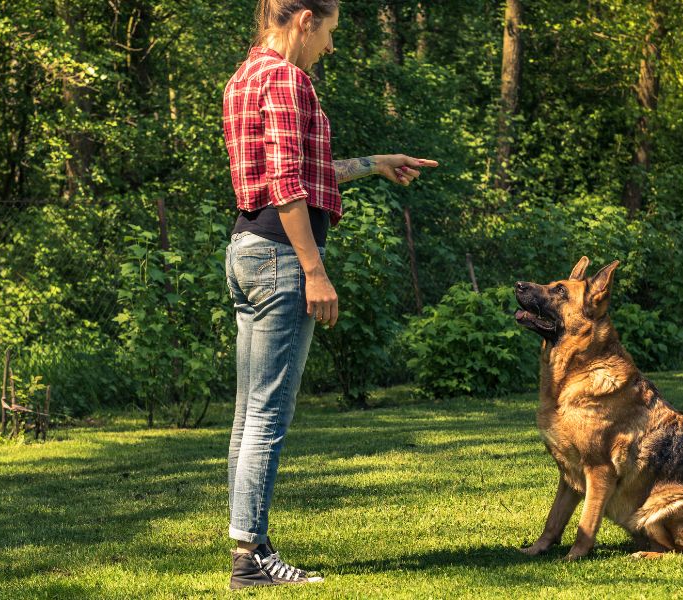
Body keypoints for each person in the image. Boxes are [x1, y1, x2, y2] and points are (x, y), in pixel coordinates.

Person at [222, 0, 438, 591]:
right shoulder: (289, 80)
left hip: (246, 249)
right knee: (268, 416)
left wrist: (375, 163)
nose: (331, 47)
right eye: (331, 33)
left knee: (249, 416)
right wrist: (314, 271)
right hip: (280, 258)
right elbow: (289, 187)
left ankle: (249, 545)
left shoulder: (245, 76)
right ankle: (251, 557)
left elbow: (298, 171)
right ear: (304, 20)